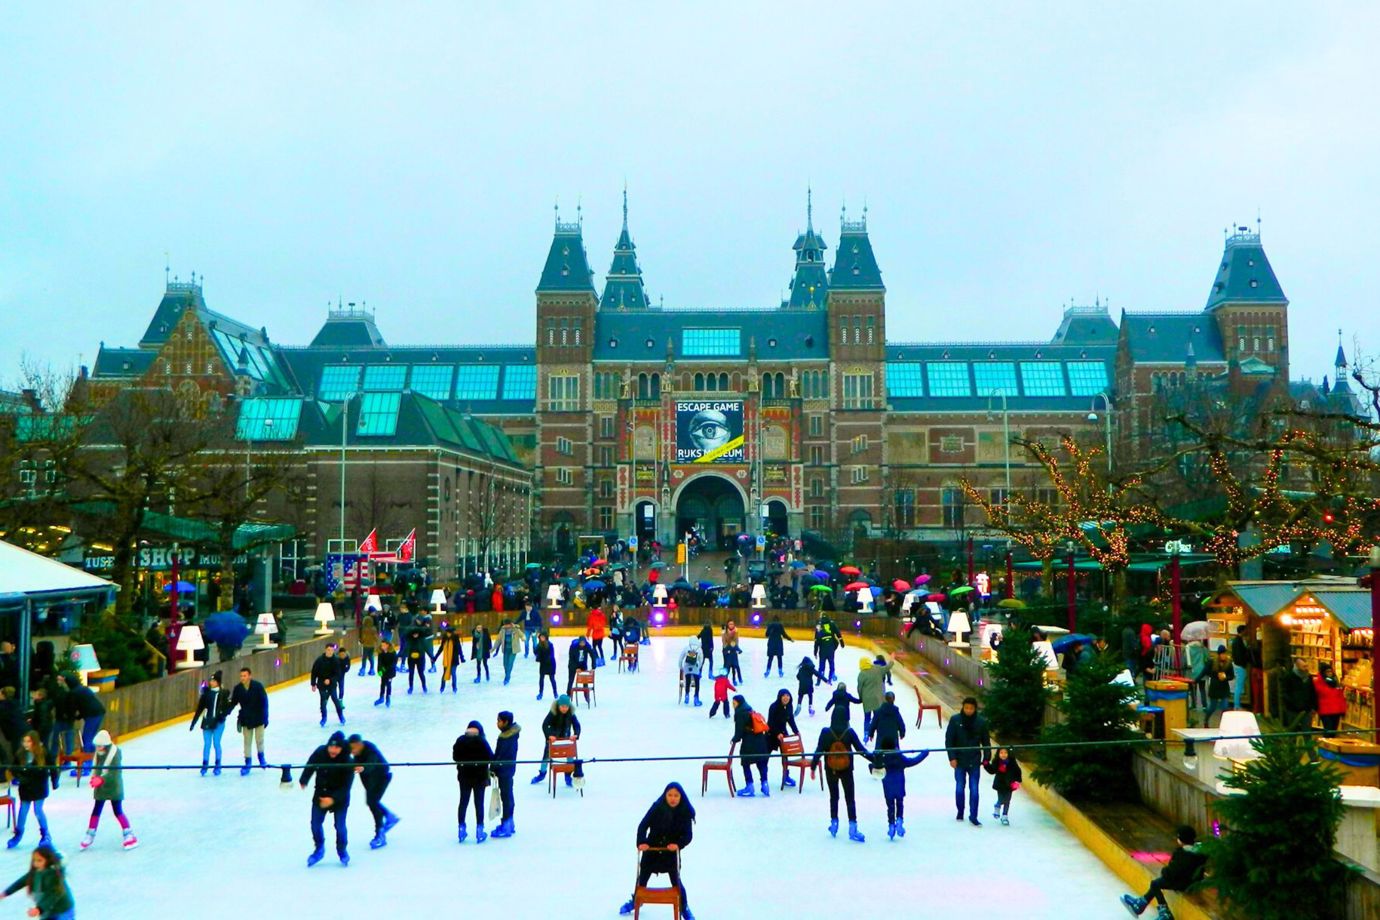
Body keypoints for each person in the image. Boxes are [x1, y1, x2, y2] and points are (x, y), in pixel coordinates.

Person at [618, 783, 696, 919]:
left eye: (676, 796)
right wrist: (642, 842)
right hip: (652, 851)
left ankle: (684, 907)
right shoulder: (657, 807)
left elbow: (688, 835)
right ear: (665, 795)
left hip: (670, 854)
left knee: (676, 881)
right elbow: (643, 825)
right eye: (670, 795)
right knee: (642, 879)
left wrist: (678, 844)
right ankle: (636, 900)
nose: (673, 799)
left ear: (681, 797)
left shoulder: (685, 812)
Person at [1120, 825, 1207, 919]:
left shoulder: (1182, 854)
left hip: (1185, 883)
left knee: (1155, 884)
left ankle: (1165, 912)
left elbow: (1172, 872)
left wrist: (1164, 871)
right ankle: (1140, 904)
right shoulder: (1199, 850)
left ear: (1181, 840)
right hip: (1193, 881)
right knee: (1158, 882)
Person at [810, 707, 870, 841]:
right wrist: (875, 759)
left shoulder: (826, 732)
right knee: (850, 798)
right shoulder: (849, 732)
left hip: (830, 769)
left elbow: (819, 750)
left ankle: (834, 823)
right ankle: (853, 827)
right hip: (846, 770)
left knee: (834, 796)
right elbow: (861, 750)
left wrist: (813, 767)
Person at [299, 730, 352, 867]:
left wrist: (333, 799)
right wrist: (304, 779)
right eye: (331, 746)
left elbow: (346, 787)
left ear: (342, 748)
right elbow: (310, 765)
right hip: (321, 794)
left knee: (340, 826)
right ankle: (319, 848)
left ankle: (342, 850)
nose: (333, 750)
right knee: (315, 824)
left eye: (337, 747)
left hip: (339, 799)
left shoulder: (347, 760)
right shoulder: (320, 752)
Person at [82, 730, 136, 851]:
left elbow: (115, 772)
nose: (98, 748)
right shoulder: (98, 753)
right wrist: (95, 778)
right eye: (97, 746)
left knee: (117, 811)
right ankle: (90, 834)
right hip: (101, 787)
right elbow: (96, 768)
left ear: (106, 744)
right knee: (96, 810)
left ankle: (129, 833)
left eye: (100, 746)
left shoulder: (115, 753)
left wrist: (101, 779)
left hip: (113, 786)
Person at [945, 696, 992, 826]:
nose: (968, 710)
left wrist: (987, 758)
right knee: (960, 787)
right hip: (959, 760)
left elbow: (986, 742)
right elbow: (949, 740)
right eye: (966, 708)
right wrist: (952, 757)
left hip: (974, 760)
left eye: (971, 708)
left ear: (975, 709)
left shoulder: (981, 722)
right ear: (963, 707)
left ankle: (973, 815)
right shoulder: (955, 720)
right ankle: (960, 811)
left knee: (974, 789)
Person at [7, 731, 57, 849]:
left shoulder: (43, 752)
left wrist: (55, 781)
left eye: (28, 741)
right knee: (23, 810)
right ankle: (18, 834)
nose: (26, 744)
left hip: (39, 786)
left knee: (38, 810)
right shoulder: (20, 754)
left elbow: (52, 767)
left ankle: (45, 834)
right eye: (24, 741)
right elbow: (13, 767)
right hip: (25, 787)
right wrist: (18, 777)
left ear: (34, 741)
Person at [348, 734, 399, 849]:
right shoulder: (354, 752)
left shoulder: (370, 749)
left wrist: (363, 768)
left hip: (381, 778)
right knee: (372, 802)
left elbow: (371, 763)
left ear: (360, 745)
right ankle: (390, 817)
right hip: (369, 781)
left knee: (372, 802)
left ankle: (380, 833)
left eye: (353, 748)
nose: (352, 751)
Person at [873, 737, 927, 840]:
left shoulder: (881, 758)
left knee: (890, 806)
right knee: (900, 803)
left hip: (888, 786)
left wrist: (872, 764)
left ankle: (891, 824)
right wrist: (924, 753)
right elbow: (913, 761)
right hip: (899, 785)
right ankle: (899, 820)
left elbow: (873, 766)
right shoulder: (899, 757)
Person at [0, 845, 74, 920]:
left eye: (39, 860)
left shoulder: (54, 875)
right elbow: (21, 882)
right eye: (34, 860)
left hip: (62, 910)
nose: (36, 863)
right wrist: (6, 893)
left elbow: (53, 895)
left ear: (48, 861)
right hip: (47, 910)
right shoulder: (36, 871)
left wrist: (39, 909)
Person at [452, 720, 493, 843]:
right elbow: (491, 756)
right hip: (479, 777)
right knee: (479, 803)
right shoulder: (481, 741)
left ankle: (461, 828)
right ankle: (480, 830)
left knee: (463, 801)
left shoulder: (460, 740)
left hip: (464, 776)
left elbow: (455, 757)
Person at [189, 670, 233, 776]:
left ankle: (218, 764)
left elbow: (229, 707)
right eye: (211, 680)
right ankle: (205, 764)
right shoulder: (206, 694)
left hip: (219, 723)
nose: (211, 682)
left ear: (218, 682)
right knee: (207, 744)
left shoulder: (223, 694)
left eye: (213, 681)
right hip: (207, 722)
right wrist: (193, 722)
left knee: (216, 743)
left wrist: (223, 715)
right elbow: (200, 708)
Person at [531, 695, 582, 786]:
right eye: (562, 706)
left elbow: (576, 725)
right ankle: (542, 774)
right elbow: (545, 725)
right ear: (558, 705)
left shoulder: (571, 713)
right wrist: (549, 735)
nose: (564, 709)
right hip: (553, 739)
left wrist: (576, 734)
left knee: (570, 756)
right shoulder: (553, 712)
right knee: (546, 756)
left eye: (566, 707)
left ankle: (567, 775)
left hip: (566, 737)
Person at [228, 667, 270, 775]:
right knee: (247, 742)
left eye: (244, 675)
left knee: (259, 740)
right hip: (246, 719)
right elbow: (233, 703)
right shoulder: (238, 688)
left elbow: (265, 703)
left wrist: (265, 718)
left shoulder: (258, 686)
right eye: (241, 676)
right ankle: (248, 762)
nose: (242, 678)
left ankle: (261, 758)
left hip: (259, 718)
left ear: (250, 676)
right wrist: (224, 713)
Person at [731, 695, 771, 796]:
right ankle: (765, 784)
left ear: (739, 703)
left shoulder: (740, 713)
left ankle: (750, 786)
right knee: (761, 762)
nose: (733, 705)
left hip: (749, 741)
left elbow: (739, 732)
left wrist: (734, 739)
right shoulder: (749, 709)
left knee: (745, 762)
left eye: (734, 703)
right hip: (761, 740)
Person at [491, 711, 520, 838]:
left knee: (506, 797)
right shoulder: (509, 735)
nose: (497, 723)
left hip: (505, 771)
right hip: (508, 769)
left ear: (506, 722)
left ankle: (507, 824)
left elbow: (500, 756)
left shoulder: (506, 738)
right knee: (508, 796)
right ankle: (509, 822)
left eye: (499, 721)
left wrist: (493, 767)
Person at [766, 688, 800, 787]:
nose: (786, 698)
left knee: (785, 756)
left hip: (783, 734)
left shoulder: (789, 707)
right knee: (766, 756)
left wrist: (796, 731)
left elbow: (790, 720)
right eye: (784, 696)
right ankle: (764, 777)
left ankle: (786, 776)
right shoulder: (773, 707)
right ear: (780, 697)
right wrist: (777, 733)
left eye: (788, 696)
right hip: (771, 734)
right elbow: (770, 723)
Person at [62, 675, 105, 754]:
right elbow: (85, 704)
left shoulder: (74, 693)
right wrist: (79, 716)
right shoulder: (84, 688)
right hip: (99, 712)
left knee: (86, 738)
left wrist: (71, 717)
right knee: (90, 737)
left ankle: (87, 759)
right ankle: (92, 756)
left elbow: (73, 707)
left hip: (92, 715)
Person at [857, 653, 894, 739]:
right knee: (878, 717)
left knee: (867, 718)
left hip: (867, 700)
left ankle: (866, 733)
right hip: (878, 699)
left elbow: (859, 688)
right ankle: (880, 733)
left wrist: (861, 698)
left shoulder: (861, 674)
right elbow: (887, 668)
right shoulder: (877, 669)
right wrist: (892, 660)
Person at [985, 746, 1022, 825]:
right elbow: (992, 770)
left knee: (1007, 800)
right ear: (998, 754)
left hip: (1009, 784)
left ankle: (1005, 815)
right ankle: (998, 805)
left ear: (1008, 754)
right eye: (1001, 753)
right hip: (1000, 784)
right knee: (1001, 798)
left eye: (1005, 753)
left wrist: (1017, 781)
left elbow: (1018, 771)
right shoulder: (997, 762)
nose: (1003, 755)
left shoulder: (1012, 762)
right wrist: (986, 765)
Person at [310, 643, 345, 727]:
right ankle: (324, 718)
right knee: (323, 702)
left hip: (332, 685)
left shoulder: (336, 661)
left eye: (332, 650)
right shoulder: (319, 660)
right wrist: (313, 684)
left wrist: (330, 680)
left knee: (335, 700)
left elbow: (338, 674)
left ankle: (341, 716)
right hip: (322, 684)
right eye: (329, 650)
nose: (330, 652)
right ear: (325, 650)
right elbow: (314, 672)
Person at [1280, 657, 1318, 730]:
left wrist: (1314, 707)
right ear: (1297, 666)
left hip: (1306, 710)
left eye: (1306, 666)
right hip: (1292, 710)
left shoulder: (1308, 677)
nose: (1306, 668)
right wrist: (1292, 703)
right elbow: (1284, 693)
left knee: (1307, 731)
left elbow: (1312, 692)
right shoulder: (1289, 677)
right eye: (1304, 666)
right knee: (1292, 731)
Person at [1314, 662, 1347, 736]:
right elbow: (1315, 696)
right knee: (1328, 731)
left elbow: (1340, 697)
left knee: (1333, 732)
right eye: (1327, 671)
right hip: (1325, 711)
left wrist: (1343, 709)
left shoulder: (1336, 682)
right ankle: (1325, 746)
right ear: (1323, 673)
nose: (1329, 673)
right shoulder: (1318, 682)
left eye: (1330, 671)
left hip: (1336, 711)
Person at [1203, 648, 1233, 728]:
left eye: (1225, 654)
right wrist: (1196, 680)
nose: (1224, 655)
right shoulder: (1212, 662)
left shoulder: (1228, 663)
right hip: (1214, 687)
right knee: (1212, 707)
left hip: (1224, 688)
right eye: (1222, 654)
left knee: (1225, 707)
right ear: (1219, 655)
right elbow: (1205, 671)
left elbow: (1232, 676)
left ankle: (1223, 725)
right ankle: (1206, 720)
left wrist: (1225, 677)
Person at [404, 618, 430, 694]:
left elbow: (426, 648)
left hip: (420, 659)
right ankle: (411, 687)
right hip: (411, 659)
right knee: (411, 673)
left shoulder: (421, 640)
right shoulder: (409, 641)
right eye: (414, 634)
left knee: (421, 673)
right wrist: (400, 656)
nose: (415, 635)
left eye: (416, 633)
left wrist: (432, 657)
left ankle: (424, 686)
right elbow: (405, 649)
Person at [435, 625, 463, 693]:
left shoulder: (455, 639)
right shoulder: (445, 639)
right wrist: (435, 657)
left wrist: (462, 657)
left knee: (453, 673)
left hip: (454, 660)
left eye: (450, 633)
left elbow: (459, 648)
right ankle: (442, 687)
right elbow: (441, 648)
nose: (448, 634)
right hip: (446, 660)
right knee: (444, 673)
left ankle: (454, 687)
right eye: (447, 633)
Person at [814, 616, 842, 683]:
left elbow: (816, 643)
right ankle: (830, 679)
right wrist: (833, 649)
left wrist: (815, 652)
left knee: (821, 667)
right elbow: (836, 642)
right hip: (830, 651)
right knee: (831, 665)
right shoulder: (831, 633)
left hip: (822, 652)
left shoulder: (819, 630)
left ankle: (819, 681)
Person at [1230, 625, 1251, 711]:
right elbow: (1239, 655)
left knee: (1239, 685)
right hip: (1240, 666)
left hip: (1238, 665)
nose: (1246, 632)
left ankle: (1237, 704)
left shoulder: (1237, 641)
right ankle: (1237, 705)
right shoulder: (1238, 642)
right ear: (1242, 631)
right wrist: (1243, 664)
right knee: (1239, 686)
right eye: (1245, 630)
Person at [679, 640, 705, 706]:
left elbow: (681, 658)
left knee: (687, 681)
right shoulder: (699, 649)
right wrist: (698, 667)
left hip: (687, 667)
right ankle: (696, 698)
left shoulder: (687, 648)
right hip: (695, 667)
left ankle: (687, 696)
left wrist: (681, 667)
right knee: (697, 683)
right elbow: (701, 660)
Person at [497, 618, 522, 685]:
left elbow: (521, 635)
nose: (506, 626)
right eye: (505, 625)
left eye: (508, 625)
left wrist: (523, 638)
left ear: (510, 624)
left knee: (510, 664)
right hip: (506, 650)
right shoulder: (502, 630)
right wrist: (493, 649)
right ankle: (507, 675)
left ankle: (507, 677)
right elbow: (498, 640)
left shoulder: (515, 629)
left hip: (513, 650)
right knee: (505, 664)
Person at [534, 632, 558, 700]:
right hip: (543, 664)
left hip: (550, 664)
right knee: (541, 678)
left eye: (543, 637)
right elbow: (535, 652)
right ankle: (540, 693)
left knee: (552, 679)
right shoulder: (539, 645)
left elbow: (552, 654)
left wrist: (548, 660)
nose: (542, 638)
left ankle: (555, 693)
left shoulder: (550, 644)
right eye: (541, 637)